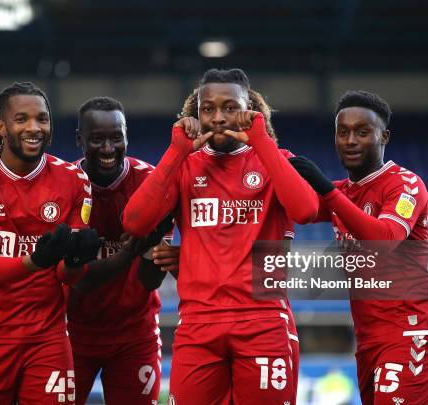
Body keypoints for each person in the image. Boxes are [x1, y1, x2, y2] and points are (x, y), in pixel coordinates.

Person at [123, 68, 318, 404]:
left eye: (231, 108)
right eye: (207, 109)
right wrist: (175, 152)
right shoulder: (185, 166)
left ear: (250, 110)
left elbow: (306, 211)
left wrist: (262, 142)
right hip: (198, 324)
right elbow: (135, 223)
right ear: (195, 114)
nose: (218, 117)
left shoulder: (275, 162)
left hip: (262, 320)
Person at [289, 90, 428, 404]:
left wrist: (327, 190)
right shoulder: (343, 192)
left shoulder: (406, 184)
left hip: (412, 335)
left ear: (384, 136)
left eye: (362, 132)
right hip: (369, 342)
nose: (350, 140)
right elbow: (299, 209)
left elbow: (384, 239)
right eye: (343, 132)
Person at [0, 82, 99, 405]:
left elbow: (68, 278)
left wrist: (74, 264)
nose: (34, 128)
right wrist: (35, 261)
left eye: (42, 119)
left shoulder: (74, 180)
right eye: (22, 119)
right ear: (1, 127)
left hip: (48, 338)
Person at [67, 96, 173, 405]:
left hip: (134, 334)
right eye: (97, 139)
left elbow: (150, 281)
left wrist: (150, 245)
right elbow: (79, 278)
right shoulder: (65, 185)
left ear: (126, 135)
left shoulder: (151, 183)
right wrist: (127, 253)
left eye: (116, 137)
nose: (108, 148)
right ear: (79, 140)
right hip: (71, 333)